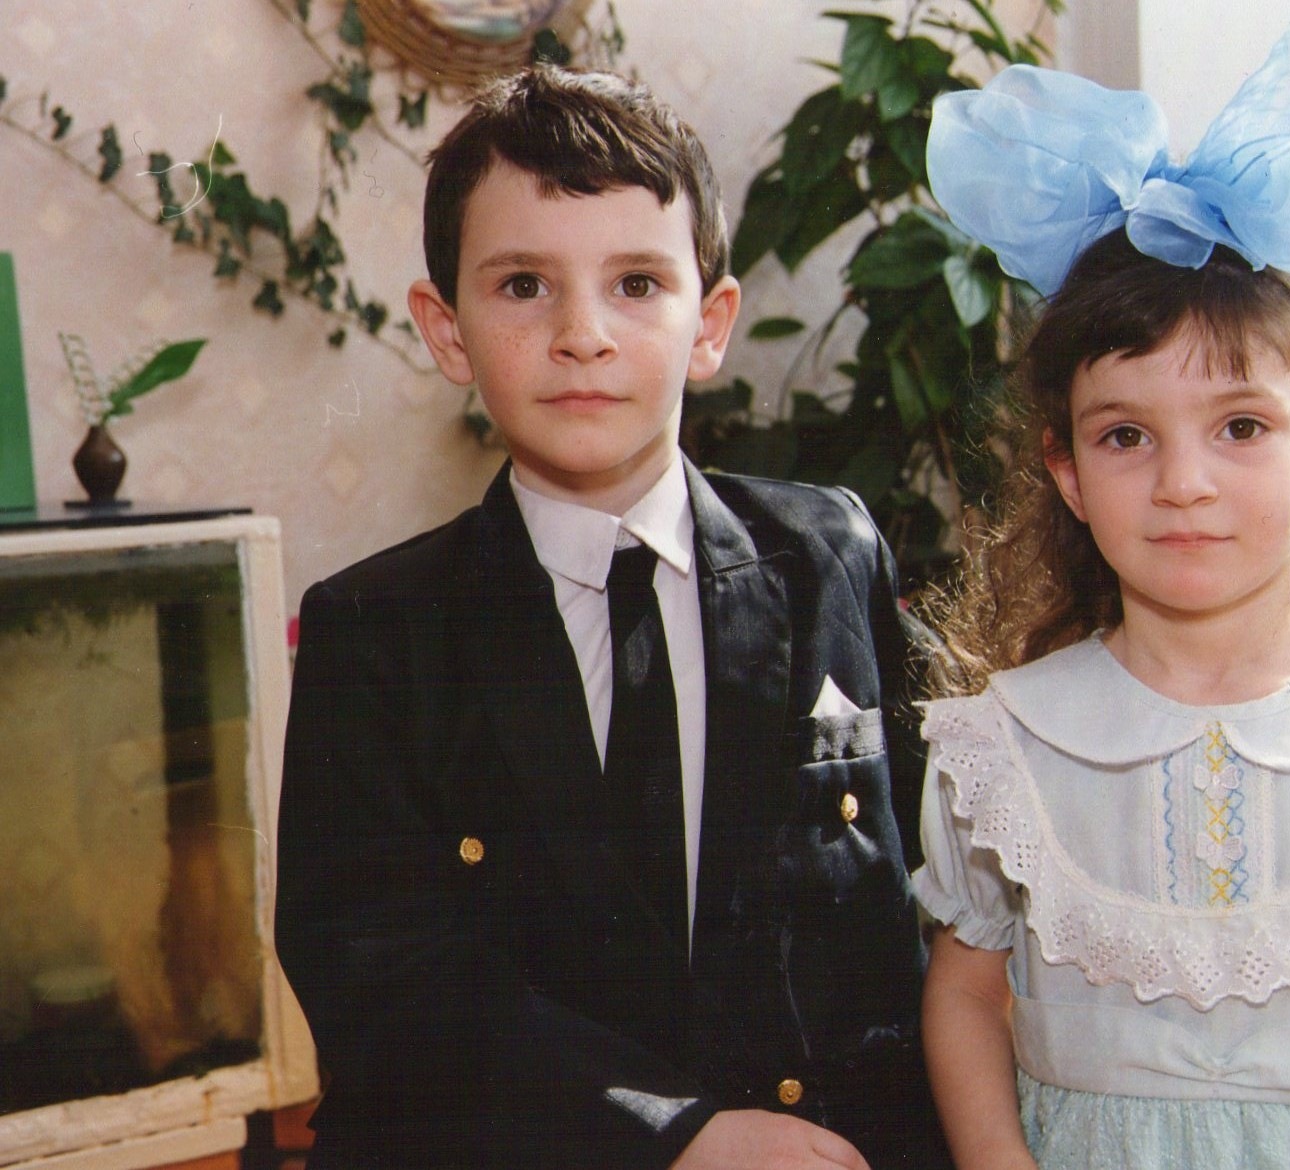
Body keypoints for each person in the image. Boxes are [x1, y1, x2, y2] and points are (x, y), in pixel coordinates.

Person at [275, 66, 949, 1170]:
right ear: (447, 331)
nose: (582, 333)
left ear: (710, 324)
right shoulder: (376, 631)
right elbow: (384, 980)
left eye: (637, 282)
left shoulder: (829, 555)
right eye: (523, 285)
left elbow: (949, 885)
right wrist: (675, 1136)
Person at [911, 18, 1290, 1170]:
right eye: (1127, 435)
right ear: (1066, 473)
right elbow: (965, 1000)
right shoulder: (1007, 747)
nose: (1183, 483)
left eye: (1240, 427)